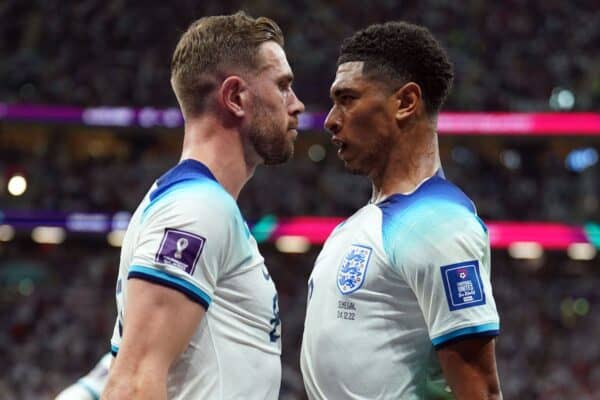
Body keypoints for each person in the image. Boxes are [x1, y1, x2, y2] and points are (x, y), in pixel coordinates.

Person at [102, 12, 304, 400]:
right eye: (282, 86)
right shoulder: (197, 208)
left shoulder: (199, 205)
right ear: (235, 97)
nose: (296, 104)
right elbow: (130, 386)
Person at [300, 21, 502, 399]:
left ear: (406, 102)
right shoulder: (357, 224)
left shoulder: (439, 225)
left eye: (347, 99)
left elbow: (481, 390)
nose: (330, 119)